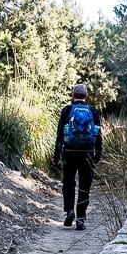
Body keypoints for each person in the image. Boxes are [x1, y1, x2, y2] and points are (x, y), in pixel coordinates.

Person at [52, 83, 102, 230]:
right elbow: (98, 134)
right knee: (84, 185)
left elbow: (60, 135)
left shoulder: (67, 110)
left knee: (68, 183)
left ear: (72, 95)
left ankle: (69, 211)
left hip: (69, 152)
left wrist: (56, 156)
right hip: (87, 153)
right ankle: (80, 219)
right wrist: (97, 155)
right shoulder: (93, 111)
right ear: (86, 96)